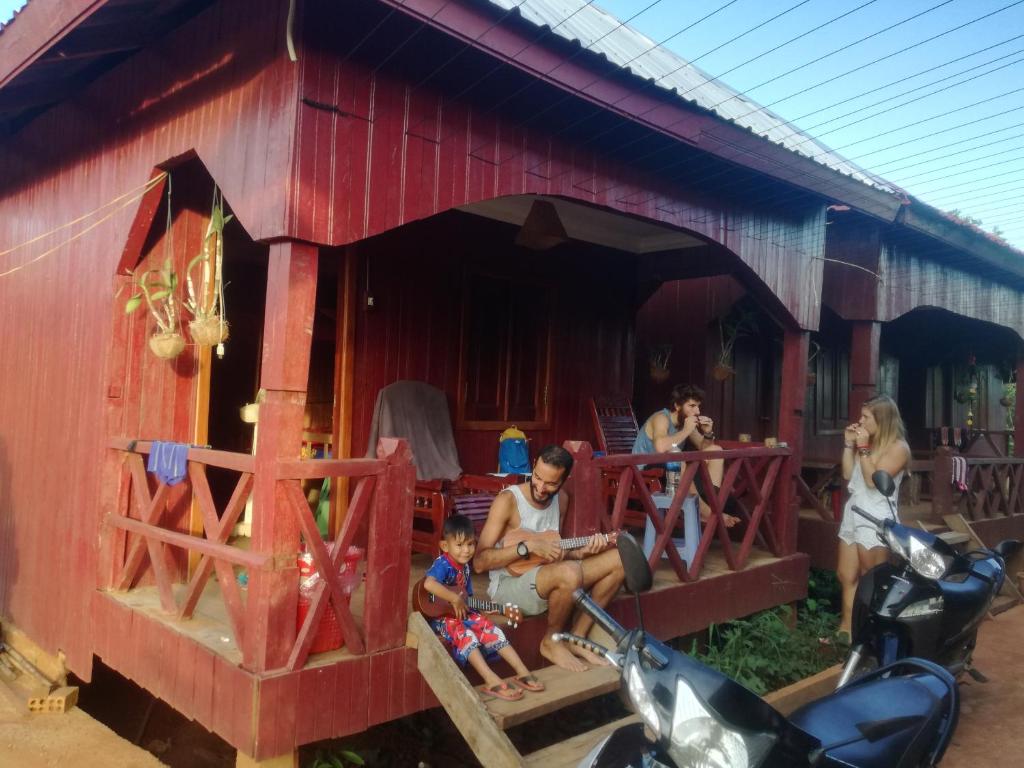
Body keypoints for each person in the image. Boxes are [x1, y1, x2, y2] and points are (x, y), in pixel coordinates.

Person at [473, 445, 624, 672]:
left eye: (551, 483)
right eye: (537, 478)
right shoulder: (508, 500)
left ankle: (577, 636)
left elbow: (554, 551)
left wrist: (582, 552)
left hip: (547, 578)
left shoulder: (561, 500)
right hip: (509, 587)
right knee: (569, 571)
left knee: (619, 560)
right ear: (534, 465)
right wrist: (526, 547)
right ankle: (551, 641)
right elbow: (479, 562)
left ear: (564, 480)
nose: (541, 488)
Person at [423, 514, 545, 701]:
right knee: (466, 634)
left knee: (490, 628)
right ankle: (490, 679)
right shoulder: (443, 564)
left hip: (461, 611)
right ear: (445, 546)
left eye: (470, 544)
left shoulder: (465, 568)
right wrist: (453, 599)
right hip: (440, 616)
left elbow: (466, 598)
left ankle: (521, 671)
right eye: (460, 545)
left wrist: (485, 608)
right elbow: (429, 585)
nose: (466, 550)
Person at [837, 395, 910, 640]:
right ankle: (846, 632)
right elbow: (849, 473)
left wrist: (864, 448)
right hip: (853, 512)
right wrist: (850, 445)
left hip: (876, 518)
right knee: (846, 575)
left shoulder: (899, 448)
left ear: (883, 419)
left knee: (872, 579)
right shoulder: (867, 443)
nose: (860, 421)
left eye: (866, 417)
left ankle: (871, 636)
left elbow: (872, 480)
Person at [632, 384, 739, 528]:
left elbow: (704, 448)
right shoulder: (661, 418)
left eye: (698, 406)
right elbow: (661, 447)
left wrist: (708, 433)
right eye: (692, 406)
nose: (697, 411)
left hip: (672, 471)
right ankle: (704, 511)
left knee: (716, 450)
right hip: (646, 471)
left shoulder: (685, 423)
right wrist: (687, 430)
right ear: (677, 406)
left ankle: (711, 500)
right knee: (678, 459)